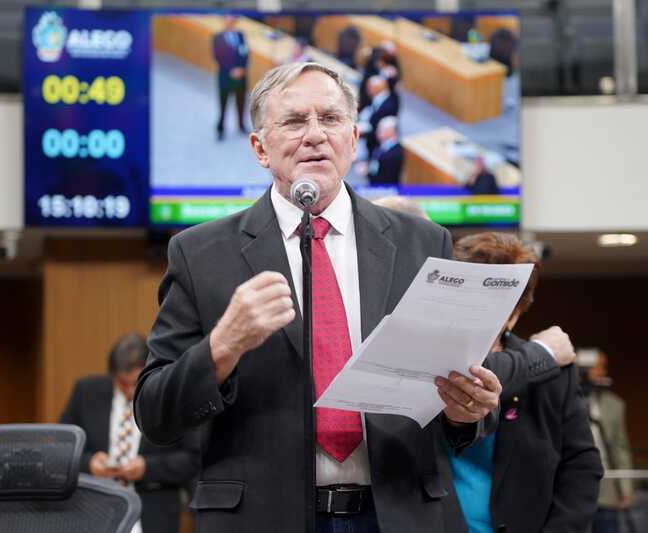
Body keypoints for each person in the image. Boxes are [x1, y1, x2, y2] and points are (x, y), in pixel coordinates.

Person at [134, 62, 570, 533]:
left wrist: (468, 413)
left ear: (355, 138)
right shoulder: (201, 253)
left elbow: (460, 397)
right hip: (262, 518)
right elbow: (155, 414)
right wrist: (223, 347)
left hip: (397, 516)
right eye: (294, 121)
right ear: (260, 148)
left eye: (330, 118)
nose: (315, 135)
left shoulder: (423, 243)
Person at [446, 233, 603, 532]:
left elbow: (581, 464)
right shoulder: (428, 360)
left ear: (515, 315)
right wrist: (542, 353)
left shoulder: (554, 374)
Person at [60, 332, 200, 533]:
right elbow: (62, 451)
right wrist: (89, 463)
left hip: (153, 512)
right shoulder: (86, 392)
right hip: (95, 513)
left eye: (136, 383)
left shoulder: (171, 397)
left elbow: (192, 459)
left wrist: (147, 467)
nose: (130, 392)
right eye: (122, 383)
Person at [585, 350, 633, 533]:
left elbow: (621, 448)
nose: (600, 371)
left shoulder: (615, 405)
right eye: (595, 366)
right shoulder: (564, 400)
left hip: (607, 487)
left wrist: (625, 488)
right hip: (572, 489)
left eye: (602, 366)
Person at [213, 15, 249, 140]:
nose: (229, 21)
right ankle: (221, 128)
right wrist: (231, 70)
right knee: (223, 103)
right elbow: (217, 56)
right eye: (227, 19)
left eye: (231, 19)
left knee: (241, 102)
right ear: (223, 21)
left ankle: (241, 125)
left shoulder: (240, 35)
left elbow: (246, 52)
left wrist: (242, 68)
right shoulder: (218, 37)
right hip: (225, 77)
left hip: (241, 76)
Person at [357, 75, 399, 159]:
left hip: (372, 138)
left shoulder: (388, 107)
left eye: (370, 88)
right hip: (367, 124)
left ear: (378, 89)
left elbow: (381, 129)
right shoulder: (378, 97)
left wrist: (364, 129)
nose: (368, 91)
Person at [367, 116, 404, 185]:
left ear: (390, 132)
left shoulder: (394, 154)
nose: (377, 132)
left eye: (380, 130)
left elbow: (386, 178)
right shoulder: (384, 145)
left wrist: (368, 172)